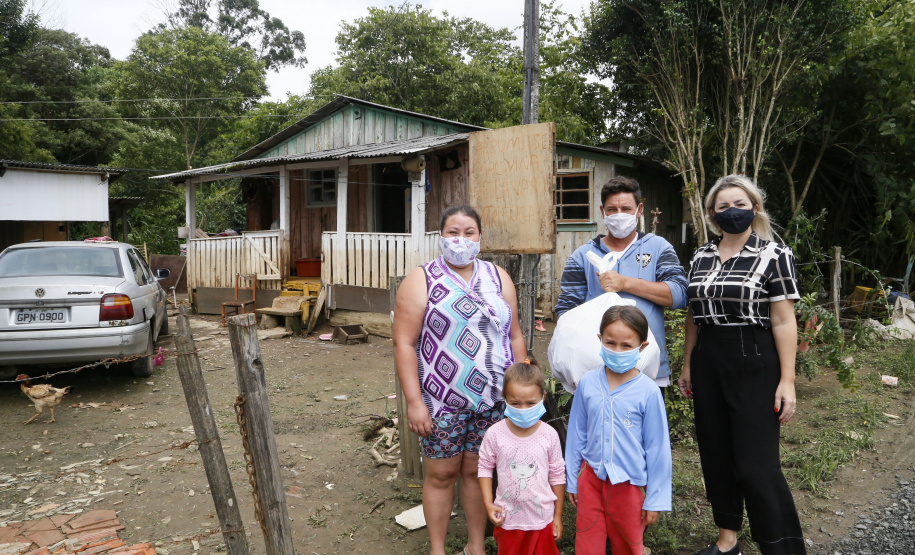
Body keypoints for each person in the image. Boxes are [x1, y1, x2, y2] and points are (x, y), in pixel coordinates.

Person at [677, 175, 805, 555]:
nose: (732, 212)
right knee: (715, 454)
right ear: (713, 215)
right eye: (723, 207)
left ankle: (781, 547)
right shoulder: (700, 255)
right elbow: (692, 317)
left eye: (739, 204)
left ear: (755, 209)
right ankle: (727, 538)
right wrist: (688, 365)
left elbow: (783, 321)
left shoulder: (774, 255)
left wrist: (788, 380)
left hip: (754, 359)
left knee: (755, 465)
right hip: (708, 359)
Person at [393, 204, 527, 555]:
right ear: (441, 236)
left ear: (480, 237)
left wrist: (520, 381)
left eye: (468, 233)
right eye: (453, 232)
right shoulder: (420, 280)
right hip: (441, 403)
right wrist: (414, 402)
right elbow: (404, 344)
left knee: (477, 474)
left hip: (493, 401)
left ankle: (475, 546)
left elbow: (513, 335)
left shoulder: (498, 277)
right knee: (440, 475)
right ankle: (438, 549)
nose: (461, 240)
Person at [555, 176, 688, 395]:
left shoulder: (658, 248)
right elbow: (566, 313)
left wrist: (624, 282)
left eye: (626, 208)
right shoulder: (583, 256)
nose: (619, 215)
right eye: (612, 209)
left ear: (639, 209)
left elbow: (680, 295)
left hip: (648, 371)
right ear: (602, 211)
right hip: (595, 371)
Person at [565, 305, 673, 555]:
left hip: (629, 486)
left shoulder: (648, 392)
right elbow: (576, 436)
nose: (617, 350)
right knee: (587, 545)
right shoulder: (588, 384)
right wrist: (573, 481)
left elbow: (657, 448)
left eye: (626, 345)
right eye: (610, 343)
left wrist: (655, 498)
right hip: (590, 482)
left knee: (628, 545)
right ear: (600, 340)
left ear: (642, 347)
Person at [477, 356, 566, 555]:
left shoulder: (549, 435)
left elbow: (557, 475)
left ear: (543, 397)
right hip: (508, 520)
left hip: (542, 520)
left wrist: (557, 516)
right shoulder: (495, 434)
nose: (523, 409)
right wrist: (488, 504)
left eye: (530, 403)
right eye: (515, 403)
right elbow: (484, 468)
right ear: (505, 398)